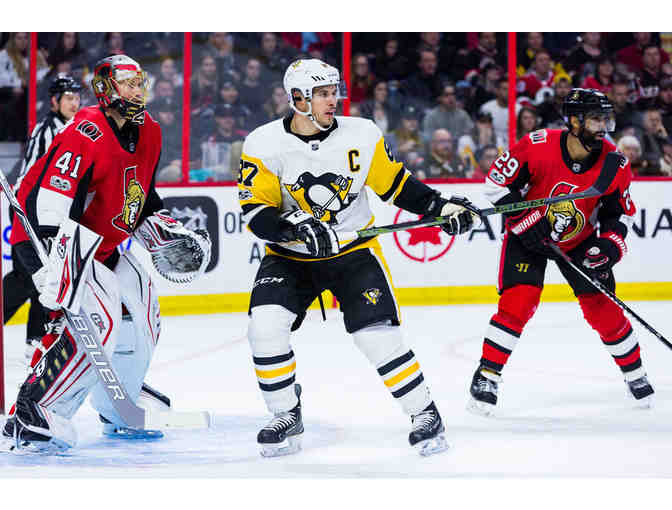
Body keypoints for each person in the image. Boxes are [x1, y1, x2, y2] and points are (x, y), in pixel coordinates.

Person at [238, 58, 479, 458]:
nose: (333, 100)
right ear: (298, 98)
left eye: (334, 91)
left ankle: (424, 413)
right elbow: (256, 212)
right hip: (289, 258)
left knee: (377, 337)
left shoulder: (362, 134)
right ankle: (285, 413)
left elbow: (396, 185)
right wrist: (292, 227)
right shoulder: (263, 142)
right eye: (322, 94)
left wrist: (440, 206)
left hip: (353, 253)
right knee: (264, 328)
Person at [1, 54, 211, 452]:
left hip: (103, 245)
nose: (137, 91)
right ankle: (35, 410)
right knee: (99, 319)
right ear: (105, 89)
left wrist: (163, 232)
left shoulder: (149, 131)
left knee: (144, 311)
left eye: (139, 83)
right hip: (54, 239)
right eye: (127, 83)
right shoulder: (85, 131)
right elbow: (48, 203)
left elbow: (140, 196)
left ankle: (119, 405)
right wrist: (50, 263)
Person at [467, 88, 653, 417]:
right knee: (518, 303)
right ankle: (487, 375)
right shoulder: (537, 144)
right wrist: (525, 220)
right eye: (595, 119)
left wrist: (609, 245)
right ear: (574, 121)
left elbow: (620, 214)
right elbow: (496, 183)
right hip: (528, 236)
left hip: (580, 241)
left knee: (603, 311)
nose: (603, 127)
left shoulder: (615, 163)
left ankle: (635, 374)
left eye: (605, 119)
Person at [3, 75, 82, 362]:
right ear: (54, 102)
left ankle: (36, 339)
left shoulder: (72, 128)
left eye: (77, 98)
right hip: (29, 208)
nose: (74, 103)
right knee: (27, 277)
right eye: (69, 98)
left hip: (49, 209)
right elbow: (34, 175)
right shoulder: (47, 129)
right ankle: (35, 336)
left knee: (47, 275)